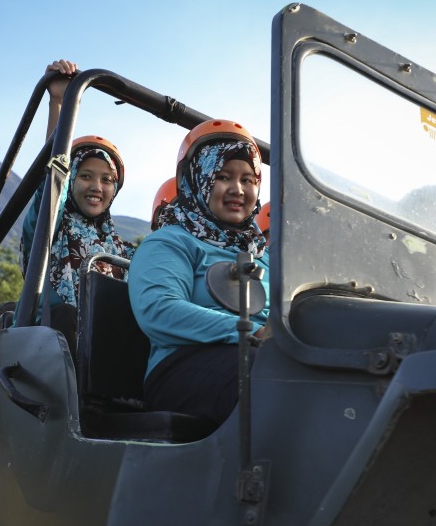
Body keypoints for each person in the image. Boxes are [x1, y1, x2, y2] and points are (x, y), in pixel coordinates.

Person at [129, 119, 269, 424]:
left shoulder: (265, 256)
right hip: (182, 366)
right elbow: (159, 309)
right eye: (222, 176)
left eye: (248, 179)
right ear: (198, 178)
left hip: (264, 358)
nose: (238, 189)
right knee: (275, 378)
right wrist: (251, 333)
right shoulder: (171, 241)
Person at [19, 60, 135, 337]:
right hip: (50, 339)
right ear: (71, 179)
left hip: (105, 346)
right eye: (85, 176)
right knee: (67, 316)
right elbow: (54, 176)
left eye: (107, 180)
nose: (97, 186)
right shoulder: (53, 225)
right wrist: (59, 101)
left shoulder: (122, 250)